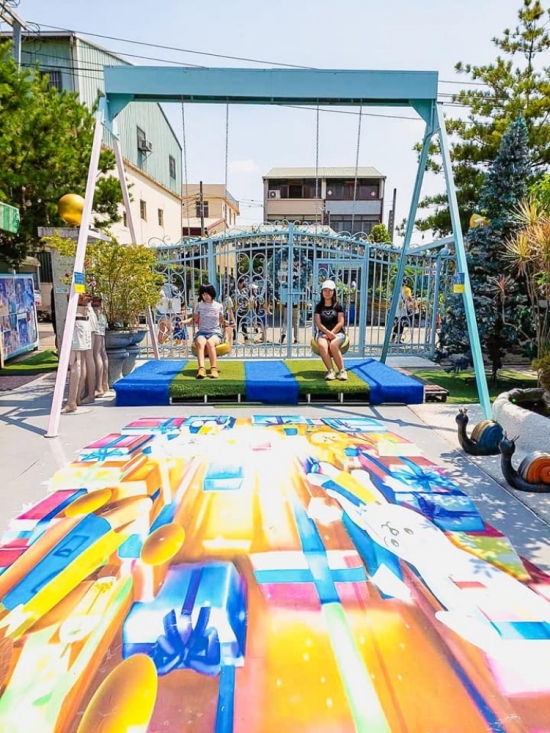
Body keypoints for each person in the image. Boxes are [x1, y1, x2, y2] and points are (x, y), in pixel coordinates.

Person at [314, 280, 347, 381]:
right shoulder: (319, 307)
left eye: (330, 290)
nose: (327, 292)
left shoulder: (338, 306)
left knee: (333, 345)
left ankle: (342, 371)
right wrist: (327, 334)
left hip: (338, 333)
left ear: (334, 292)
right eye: (325, 290)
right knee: (322, 345)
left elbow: (341, 322)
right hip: (323, 333)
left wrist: (332, 334)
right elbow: (318, 324)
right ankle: (331, 371)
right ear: (322, 292)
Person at [193, 283, 224, 379]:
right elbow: (195, 319)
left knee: (210, 343)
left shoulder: (218, 306)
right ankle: (201, 369)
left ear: (212, 293)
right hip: (202, 332)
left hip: (215, 332)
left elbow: (221, 320)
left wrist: (229, 324)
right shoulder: (199, 306)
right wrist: (186, 321)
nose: (205, 296)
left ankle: (213, 369)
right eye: (203, 294)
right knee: (201, 343)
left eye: (207, 294)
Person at [391, 277, 415, 343]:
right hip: (402, 309)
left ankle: (393, 338)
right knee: (402, 324)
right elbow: (409, 299)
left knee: (397, 324)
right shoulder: (407, 289)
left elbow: (391, 299)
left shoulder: (396, 290)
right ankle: (398, 340)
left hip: (396, 309)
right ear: (406, 282)